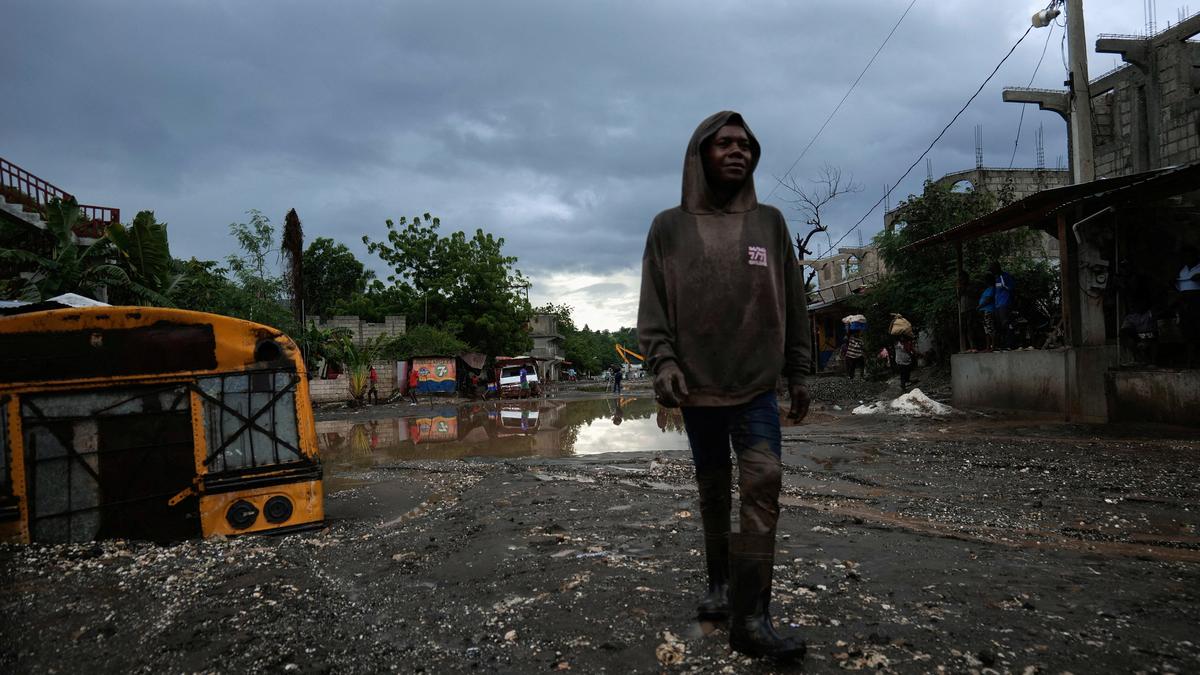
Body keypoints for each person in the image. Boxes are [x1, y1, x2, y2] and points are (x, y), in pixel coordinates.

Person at [638, 111, 809, 661]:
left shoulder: (771, 224)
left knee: (764, 483)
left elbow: (795, 301)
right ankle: (718, 587)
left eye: (746, 144)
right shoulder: (669, 227)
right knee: (714, 489)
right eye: (724, 144)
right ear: (700, 155)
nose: (738, 152)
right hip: (697, 387)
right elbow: (654, 307)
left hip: (757, 385)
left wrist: (800, 370)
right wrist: (662, 363)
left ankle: (752, 618)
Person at [1176, 246, 1200, 367]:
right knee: (1187, 331)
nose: (1187, 258)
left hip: (1197, 302)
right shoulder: (1183, 270)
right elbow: (1179, 288)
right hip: (1185, 303)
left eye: (1190, 255)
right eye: (1185, 256)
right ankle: (1190, 360)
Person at [991, 262, 1015, 349]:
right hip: (997, 305)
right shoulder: (995, 278)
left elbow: (1011, 288)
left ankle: (1009, 344)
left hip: (1005, 303)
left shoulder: (1005, 276)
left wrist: (1005, 285)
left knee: (1006, 323)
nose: (992, 271)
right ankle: (1003, 344)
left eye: (993, 269)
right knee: (999, 326)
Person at [978, 281, 996, 352]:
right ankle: (988, 347)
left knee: (990, 328)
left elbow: (989, 299)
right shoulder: (987, 289)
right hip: (984, 311)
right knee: (986, 330)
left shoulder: (992, 288)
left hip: (988, 311)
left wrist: (979, 306)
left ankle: (993, 346)